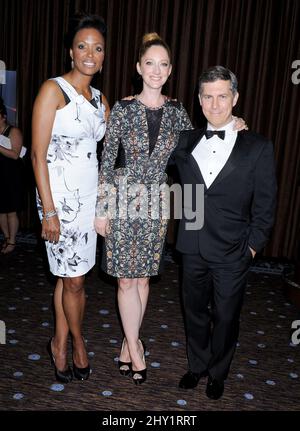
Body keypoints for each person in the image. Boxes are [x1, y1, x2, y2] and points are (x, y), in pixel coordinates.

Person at [95, 36, 246, 385]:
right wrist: (102, 208)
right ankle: (136, 348)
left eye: (163, 64)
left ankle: (127, 344)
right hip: (121, 199)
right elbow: (106, 162)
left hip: (156, 203)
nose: (156, 70)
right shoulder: (121, 109)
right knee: (124, 279)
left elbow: (200, 143)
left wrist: (233, 123)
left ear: (170, 71)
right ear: (138, 67)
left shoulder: (178, 112)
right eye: (150, 63)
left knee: (143, 279)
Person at [175, 66, 277, 399]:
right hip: (191, 245)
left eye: (222, 96)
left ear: (234, 98)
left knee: (226, 316)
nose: (215, 105)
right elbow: (144, 151)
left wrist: (252, 248)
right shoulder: (185, 141)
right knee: (193, 313)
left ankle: (218, 372)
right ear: (199, 99)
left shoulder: (257, 146)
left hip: (234, 250)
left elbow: (265, 204)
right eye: (208, 96)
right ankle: (197, 365)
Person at [31, 13, 109, 383]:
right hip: (58, 203)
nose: (90, 54)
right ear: (71, 52)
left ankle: (57, 342)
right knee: (75, 281)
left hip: (88, 200)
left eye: (97, 47)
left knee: (69, 279)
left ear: (104, 54)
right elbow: (36, 154)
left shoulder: (99, 99)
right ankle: (78, 343)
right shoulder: (53, 90)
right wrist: (48, 211)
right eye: (83, 46)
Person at [0, 97, 24, 254]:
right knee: (1, 211)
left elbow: (15, 155)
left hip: (11, 176)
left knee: (11, 211)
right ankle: (7, 238)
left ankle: (12, 241)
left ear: (3, 116)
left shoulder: (13, 131)